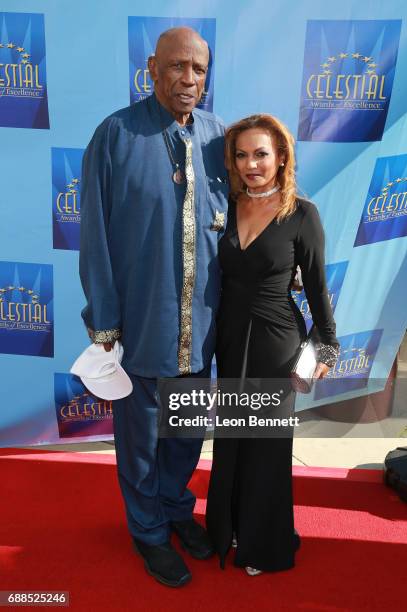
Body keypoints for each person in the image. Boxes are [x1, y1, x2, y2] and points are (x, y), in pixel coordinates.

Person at [79, 27, 228, 588]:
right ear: (152, 67)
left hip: (204, 324)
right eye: (177, 67)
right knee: (140, 441)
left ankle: (174, 512)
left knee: (188, 433)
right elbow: (93, 234)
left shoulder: (219, 138)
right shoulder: (115, 135)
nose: (188, 80)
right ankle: (147, 532)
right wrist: (105, 321)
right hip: (142, 324)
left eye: (199, 70)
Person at [205, 114, 340, 575]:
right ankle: (226, 530)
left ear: (281, 157)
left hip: (276, 338)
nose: (251, 164)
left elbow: (318, 288)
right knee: (230, 436)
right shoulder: (224, 203)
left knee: (264, 442)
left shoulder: (302, 214)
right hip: (228, 335)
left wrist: (327, 346)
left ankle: (264, 543)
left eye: (261, 153)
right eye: (241, 155)